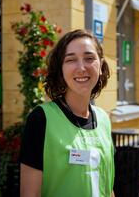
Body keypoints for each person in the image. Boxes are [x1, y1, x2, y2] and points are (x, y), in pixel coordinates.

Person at [20, 29, 115, 197]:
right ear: (61, 70)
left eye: (89, 58)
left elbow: (107, 184)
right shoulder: (41, 119)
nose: (81, 67)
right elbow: (30, 194)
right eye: (71, 60)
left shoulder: (104, 119)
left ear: (100, 66)